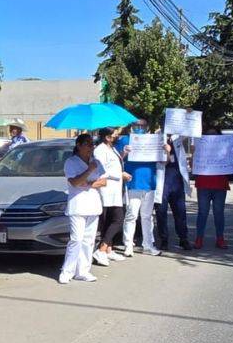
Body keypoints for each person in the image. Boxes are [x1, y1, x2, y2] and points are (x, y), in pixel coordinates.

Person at [60, 133, 107, 284]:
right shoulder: (71, 162)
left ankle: (83, 271)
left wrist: (87, 184)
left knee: (89, 240)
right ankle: (67, 271)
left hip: (93, 205)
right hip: (77, 206)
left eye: (92, 144)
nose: (91, 147)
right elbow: (74, 182)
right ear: (79, 145)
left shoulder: (97, 161)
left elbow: (103, 182)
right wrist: (89, 172)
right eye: (87, 144)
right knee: (76, 239)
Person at [115, 118, 161, 257]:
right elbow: (115, 161)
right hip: (133, 183)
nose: (139, 128)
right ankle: (128, 245)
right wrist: (124, 153)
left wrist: (166, 150)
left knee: (147, 217)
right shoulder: (124, 141)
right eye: (136, 125)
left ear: (147, 128)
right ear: (131, 126)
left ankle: (148, 245)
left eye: (142, 125)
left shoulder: (154, 141)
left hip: (150, 183)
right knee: (131, 215)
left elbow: (163, 160)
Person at [92, 127, 128, 266]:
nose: (117, 135)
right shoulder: (100, 150)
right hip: (106, 190)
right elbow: (102, 170)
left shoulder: (110, 148)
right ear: (107, 137)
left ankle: (108, 249)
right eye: (114, 134)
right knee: (117, 220)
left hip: (115, 190)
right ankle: (101, 250)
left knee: (111, 220)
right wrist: (120, 175)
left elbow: (114, 165)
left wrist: (123, 155)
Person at [192, 126, 230, 249]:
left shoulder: (225, 148)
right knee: (203, 213)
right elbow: (192, 165)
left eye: (215, 135)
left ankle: (220, 238)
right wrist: (193, 153)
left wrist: (232, 155)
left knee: (219, 213)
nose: (212, 137)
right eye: (209, 135)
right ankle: (199, 238)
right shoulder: (199, 147)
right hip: (203, 184)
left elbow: (230, 165)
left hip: (220, 185)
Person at [157, 133, 192, 251]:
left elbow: (190, 130)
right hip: (163, 183)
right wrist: (167, 152)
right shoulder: (158, 141)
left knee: (180, 211)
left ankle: (183, 238)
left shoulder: (178, 139)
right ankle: (164, 239)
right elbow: (161, 162)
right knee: (161, 212)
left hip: (177, 182)